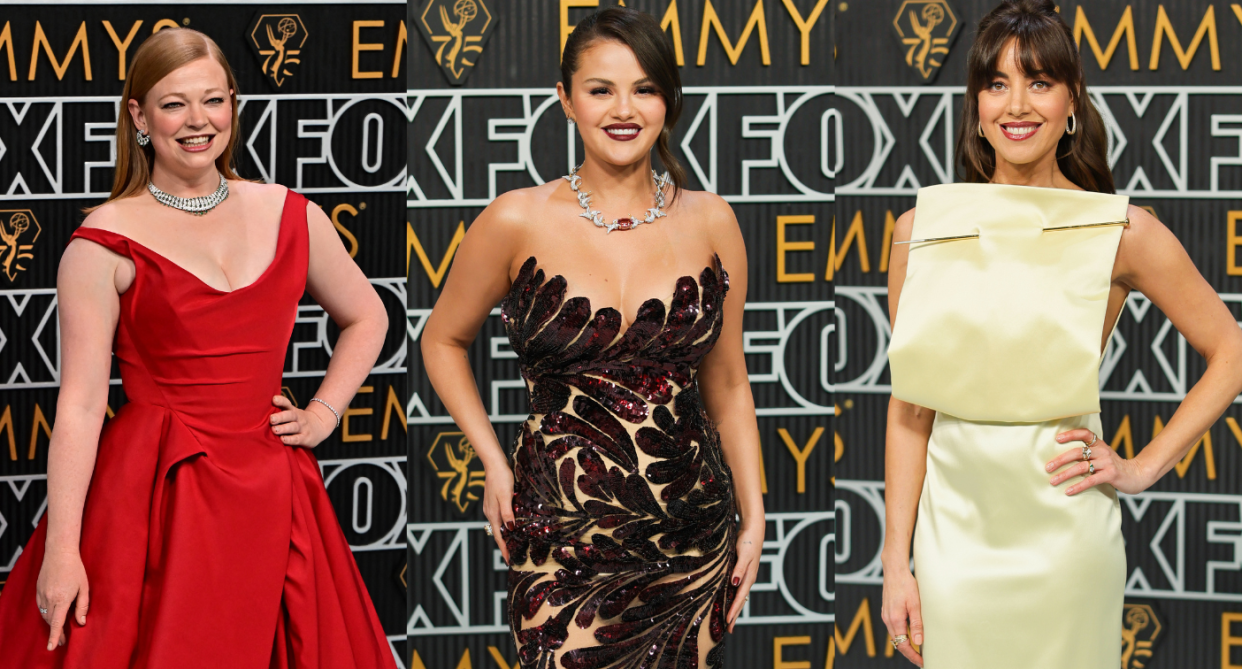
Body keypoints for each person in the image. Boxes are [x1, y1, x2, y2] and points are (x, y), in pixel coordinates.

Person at [0, 28, 397, 668]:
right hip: (156, 497)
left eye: (213, 100)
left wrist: (324, 413)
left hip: (273, 487)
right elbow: (77, 407)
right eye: (173, 103)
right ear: (138, 116)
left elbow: (368, 315)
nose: (197, 122)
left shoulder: (291, 214)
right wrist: (64, 550)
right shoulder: (102, 243)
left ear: (234, 105)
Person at [879, 1, 1242, 667]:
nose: (1017, 104)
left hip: (1067, 544)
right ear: (977, 105)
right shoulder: (919, 229)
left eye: (1040, 81)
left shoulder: (1120, 230)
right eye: (997, 83)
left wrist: (1141, 466)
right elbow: (910, 409)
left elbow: (1233, 350)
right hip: (951, 544)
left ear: (1072, 101)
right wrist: (894, 563)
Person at [419, 8, 764, 667]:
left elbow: (728, 382)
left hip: (691, 536)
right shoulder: (515, 218)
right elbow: (441, 339)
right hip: (562, 535)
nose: (623, 109)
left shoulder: (714, 220)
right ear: (566, 99)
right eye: (601, 89)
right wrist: (494, 461)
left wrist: (756, 517)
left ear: (669, 99)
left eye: (644, 88)